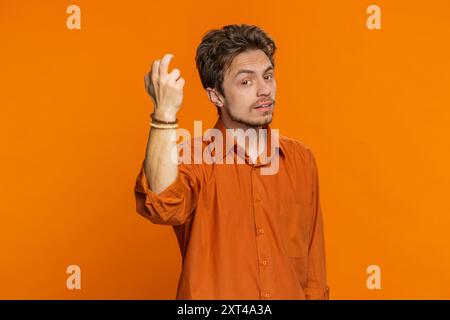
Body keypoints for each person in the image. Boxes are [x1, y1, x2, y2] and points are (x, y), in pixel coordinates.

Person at [134, 24, 329, 300]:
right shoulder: (194, 158)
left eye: (268, 76)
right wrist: (164, 113)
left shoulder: (301, 159)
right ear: (216, 95)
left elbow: (313, 270)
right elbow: (163, 206)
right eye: (246, 82)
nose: (264, 90)